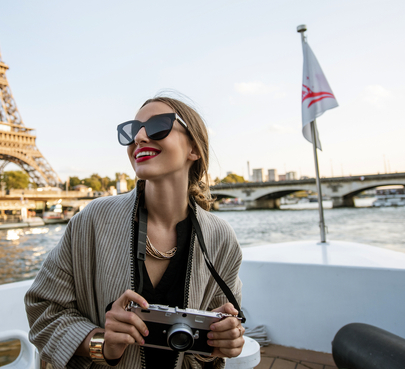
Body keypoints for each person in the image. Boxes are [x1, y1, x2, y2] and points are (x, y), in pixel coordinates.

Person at [25, 96, 245, 369]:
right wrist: (103, 343)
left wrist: (223, 341)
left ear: (194, 149)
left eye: (157, 126)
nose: (139, 137)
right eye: (131, 130)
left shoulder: (222, 239)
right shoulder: (92, 220)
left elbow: (216, 333)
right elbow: (43, 310)